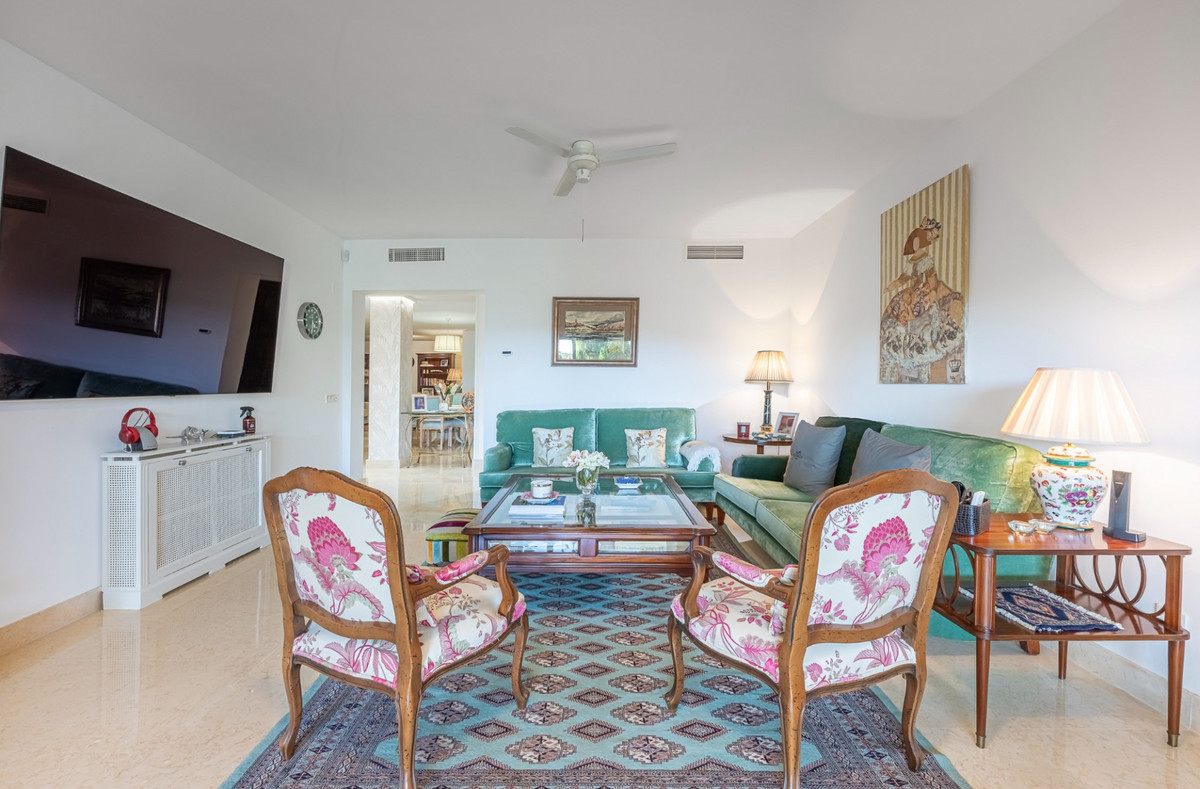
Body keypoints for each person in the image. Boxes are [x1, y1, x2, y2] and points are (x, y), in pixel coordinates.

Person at [880, 216, 965, 383]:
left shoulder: (926, 259)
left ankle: (925, 351)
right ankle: (901, 349)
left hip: (925, 289)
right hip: (911, 291)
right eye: (915, 241)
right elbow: (903, 279)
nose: (916, 244)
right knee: (898, 309)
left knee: (923, 315)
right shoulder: (911, 261)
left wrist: (932, 292)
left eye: (919, 241)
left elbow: (932, 278)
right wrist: (890, 287)